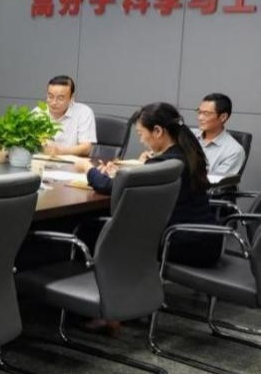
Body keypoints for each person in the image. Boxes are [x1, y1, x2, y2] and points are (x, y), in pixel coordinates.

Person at [76, 102, 219, 268]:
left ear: (157, 131)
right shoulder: (186, 153)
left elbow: (109, 186)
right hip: (205, 239)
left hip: (180, 242)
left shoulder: (163, 163)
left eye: (140, 134)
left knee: (85, 230)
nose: (141, 140)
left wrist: (87, 168)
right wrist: (120, 176)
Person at [40, 75, 96, 157]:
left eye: (60, 98)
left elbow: (86, 148)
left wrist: (60, 151)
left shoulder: (84, 112)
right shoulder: (38, 112)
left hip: (73, 163)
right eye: (50, 97)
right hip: (42, 162)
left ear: (71, 98)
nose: (54, 102)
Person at [194, 92, 246, 178]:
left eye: (206, 114)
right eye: (199, 112)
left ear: (223, 117)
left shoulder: (234, 151)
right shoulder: (188, 135)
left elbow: (214, 182)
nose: (200, 118)